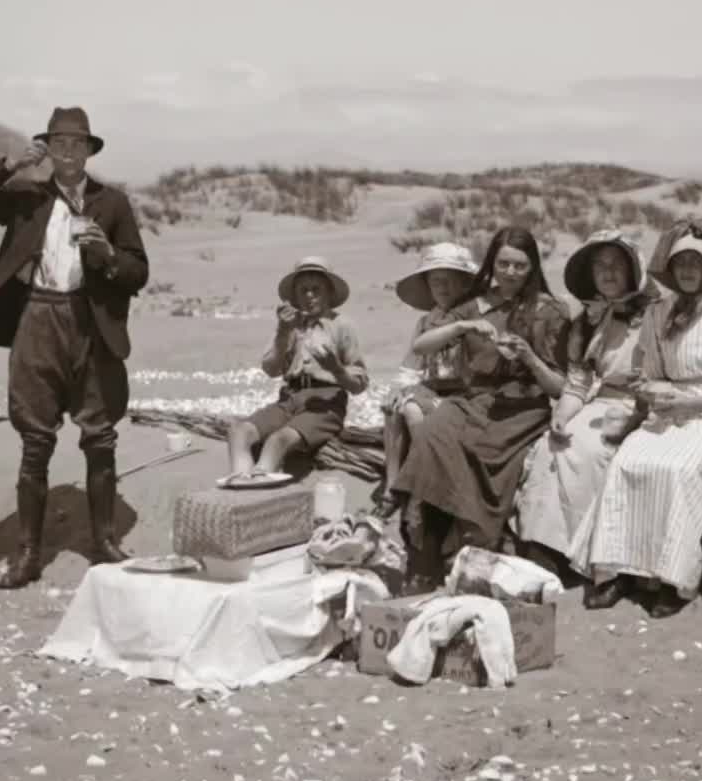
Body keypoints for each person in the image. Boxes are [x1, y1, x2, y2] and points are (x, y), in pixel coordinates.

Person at [0, 107, 150, 590]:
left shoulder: (112, 203)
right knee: (36, 441)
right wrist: (8, 165)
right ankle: (28, 553)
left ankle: (103, 542)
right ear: (47, 149)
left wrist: (107, 257)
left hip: (91, 322)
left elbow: (139, 271)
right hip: (38, 319)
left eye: (77, 144)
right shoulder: (26, 197)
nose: (68, 153)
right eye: (59, 144)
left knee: (100, 437)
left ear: (89, 150)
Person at [570, 219, 702, 618]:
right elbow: (651, 373)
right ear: (670, 270)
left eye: (695, 262)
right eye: (680, 263)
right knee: (627, 463)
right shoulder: (659, 311)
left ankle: (674, 579)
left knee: (680, 470)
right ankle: (618, 571)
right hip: (668, 408)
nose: (688, 271)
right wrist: (647, 390)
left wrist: (696, 405)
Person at [391, 227, 570, 588]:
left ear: (533, 267)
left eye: (520, 266)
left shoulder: (550, 311)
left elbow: (559, 386)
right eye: (503, 263)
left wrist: (530, 358)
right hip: (473, 400)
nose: (511, 272)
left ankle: (471, 538)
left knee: (484, 450)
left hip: (523, 407)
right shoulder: (474, 304)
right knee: (431, 434)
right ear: (492, 263)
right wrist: (462, 325)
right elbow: (423, 345)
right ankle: (424, 546)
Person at [514, 230, 655, 569]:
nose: (607, 273)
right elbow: (578, 382)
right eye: (599, 266)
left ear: (633, 270)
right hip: (599, 403)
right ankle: (543, 545)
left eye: (616, 265)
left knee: (590, 451)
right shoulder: (587, 321)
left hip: (645, 407)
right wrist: (562, 414)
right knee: (551, 445)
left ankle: (587, 554)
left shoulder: (655, 315)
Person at [226, 256, 370, 484]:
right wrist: (283, 332)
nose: (309, 295)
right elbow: (271, 369)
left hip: (326, 404)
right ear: (294, 296)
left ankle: (260, 489)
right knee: (239, 432)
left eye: (316, 289)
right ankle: (240, 489)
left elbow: (359, 385)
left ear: (329, 292)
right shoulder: (289, 325)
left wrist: (337, 370)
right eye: (303, 290)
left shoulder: (342, 326)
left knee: (277, 441)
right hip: (288, 400)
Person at [374, 242, 480, 518]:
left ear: (464, 283)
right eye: (436, 283)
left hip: (463, 393)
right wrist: (398, 388)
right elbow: (412, 363)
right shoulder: (426, 322)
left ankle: (428, 479)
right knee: (394, 407)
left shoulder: (474, 318)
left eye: (449, 281)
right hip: (431, 387)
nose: (443, 289)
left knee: (412, 411)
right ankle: (393, 482)